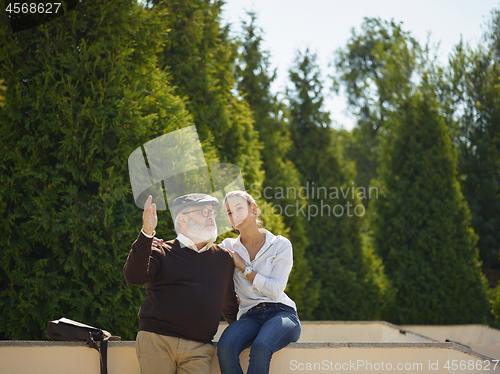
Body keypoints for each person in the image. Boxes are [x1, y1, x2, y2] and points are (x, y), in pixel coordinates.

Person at [123, 193, 238, 374]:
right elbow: (134, 277)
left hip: (199, 348)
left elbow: (229, 305)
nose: (211, 216)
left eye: (212, 212)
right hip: (157, 340)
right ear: (183, 219)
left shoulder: (224, 258)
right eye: (204, 211)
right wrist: (146, 233)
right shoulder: (162, 251)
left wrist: (248, 331)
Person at [216, 190, 301, 374]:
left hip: (281, 313)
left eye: (239, 208)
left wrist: (243, 267)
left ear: (253, 209)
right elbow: (200, 255)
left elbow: (275, 290)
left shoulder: (280, 244)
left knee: (261, 347)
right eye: (230, 212)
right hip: (249, 316)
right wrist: (161, 245)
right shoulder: (227, 247)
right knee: (225, 347)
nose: (235, 214)